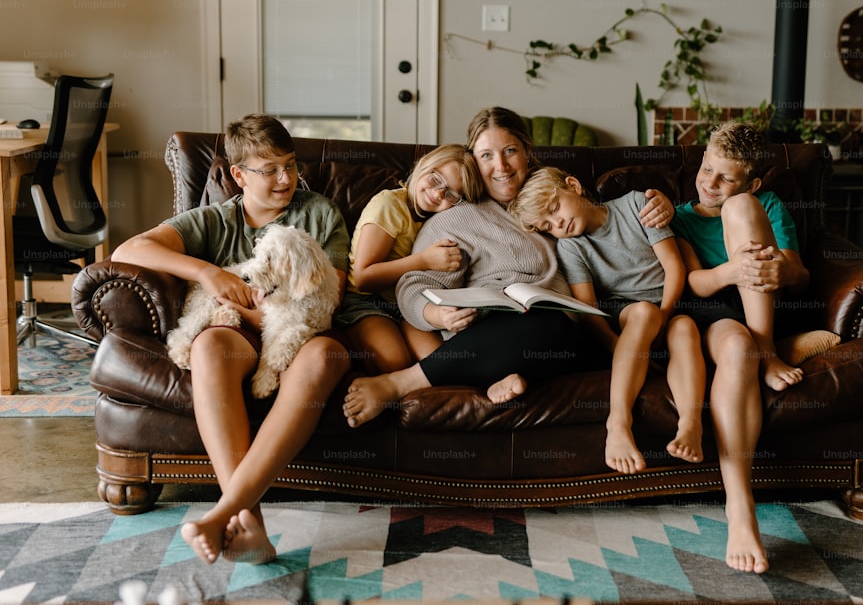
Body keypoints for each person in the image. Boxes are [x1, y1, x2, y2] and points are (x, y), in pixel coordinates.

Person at [112, 114, 351, 565]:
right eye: (270, 170)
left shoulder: (319, 212)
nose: (286, 178)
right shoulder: (215, 221)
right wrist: (208, 272)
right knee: (208, 346)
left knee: (320, 360)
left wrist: (253, 309)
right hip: (240, 332)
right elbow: (128, 251)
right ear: (238, 175)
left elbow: (327, 299)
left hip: (307, 334)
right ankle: (252, 527)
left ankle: (225, 513)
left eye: (291, 165)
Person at [341, 106, 674, 426]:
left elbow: (610, 223)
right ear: (473, 159)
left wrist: (667, 208)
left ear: (527, 151)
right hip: (505, 330)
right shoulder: (456, 218)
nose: (500, 166)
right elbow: (413, 288)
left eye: (510, 150)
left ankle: (504, 374)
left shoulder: (552, 196)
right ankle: (400, 383)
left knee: (570, 332)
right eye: (486, 155)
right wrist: (438, 315)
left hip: (574, 332)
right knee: (545, 327)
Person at [669, 121, 810, 574]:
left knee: (739, 211)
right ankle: (740, 507)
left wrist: (780, 271)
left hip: (763, 300)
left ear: (751, 179)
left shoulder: (762, 201)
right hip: (715, 308)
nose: (709, 183)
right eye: (706, 169)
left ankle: (767, 346)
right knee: (736, 348)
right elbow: (696, 282)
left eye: (725, 177)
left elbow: (799, 271)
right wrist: (737, 269)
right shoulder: (678, 215)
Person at [508, 166, 705, 475]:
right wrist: (615, 346)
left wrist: (666, 316)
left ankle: (690, 425)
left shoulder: (637, 205)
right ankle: (618, 422)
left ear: (573, 185)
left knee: (686, 328)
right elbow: (588, 307)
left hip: (670, 307)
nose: (558, 223)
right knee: (643, 312)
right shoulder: (570, 246)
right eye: (548, 225)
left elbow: (674, 268)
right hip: (627, 314)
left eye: (554, 208)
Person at [337, 144, 481, 373]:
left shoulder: (437, 218)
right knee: (395, 360)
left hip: (407, 305)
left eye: (452, 194)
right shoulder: (390, 205)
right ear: (424, 166)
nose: (437, 194)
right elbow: (364, 277)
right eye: (436, 180)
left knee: (440, 361)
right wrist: (425, 261)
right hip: (365, 300)